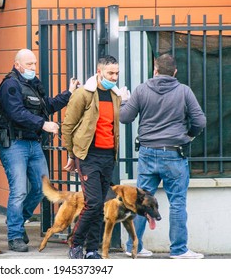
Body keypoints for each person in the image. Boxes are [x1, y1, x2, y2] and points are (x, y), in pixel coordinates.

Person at [120, 53, 206, 259]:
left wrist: (124, 101)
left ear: (155, 70)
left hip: (148, 152)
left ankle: (135, 247)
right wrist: (189, 136)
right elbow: (200, 121)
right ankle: (179, 250)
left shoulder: (141, 90)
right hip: (174, 153)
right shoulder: (184, 91)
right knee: (177, 202)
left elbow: (125, 118)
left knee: (141, 201)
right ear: (175, 72)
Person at [0, 48, 79, 252]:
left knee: (42, 189)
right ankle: (14, 236)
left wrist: (69, 94)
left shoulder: (32, 84)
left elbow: (45, 106)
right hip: (15, 144)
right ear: (17, 65)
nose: (33, 68)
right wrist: (43, 124)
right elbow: (17, 113)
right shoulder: (10, 85)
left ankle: (17, 221)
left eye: (34, 64)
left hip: (33, 144)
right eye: (29, 64)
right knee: (19, 190)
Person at [62, 55, 124, 259]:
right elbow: (68, 125)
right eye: (110, 73)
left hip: (108, 156)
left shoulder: (115, 95)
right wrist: (72, 154)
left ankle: (91, 250)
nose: (114, 77)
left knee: (100, 205)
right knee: (94, 203)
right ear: (99, 72)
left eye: (116, 73)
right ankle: (75, 243)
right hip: (88, 156)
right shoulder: (84, 94)